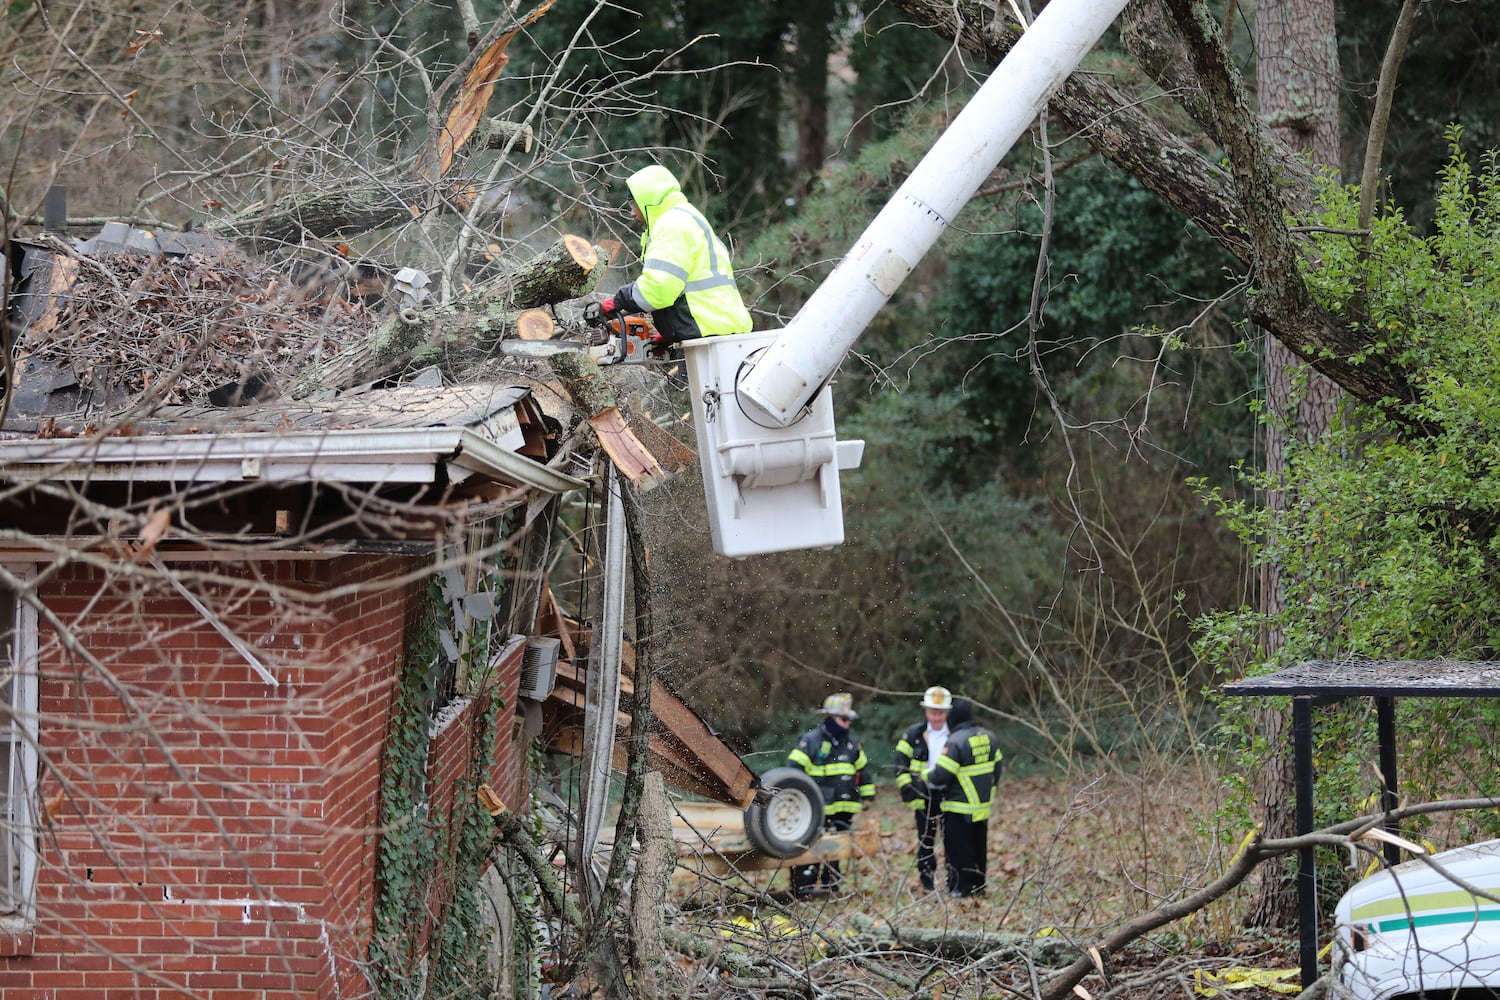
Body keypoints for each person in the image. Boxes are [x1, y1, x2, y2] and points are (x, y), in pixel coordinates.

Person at [597, 164, 754, 354]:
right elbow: (687, 284)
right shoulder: (687, 217)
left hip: (706, 342)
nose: (632, 213)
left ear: (648, 200)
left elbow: (658, 290)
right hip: (717, 335)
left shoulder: (671, 225)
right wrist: (673, 331)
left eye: (633, 205)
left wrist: (619, 300)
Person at [786, 692, 876, 896]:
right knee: (809, 847)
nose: (847, 724)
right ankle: (804, 887)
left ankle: (831, 887)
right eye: (843, 719)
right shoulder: (810, 742)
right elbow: (793, 771)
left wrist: (868, 796)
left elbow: (863, 771)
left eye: (849, 720)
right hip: (816, 810)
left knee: (838, 847)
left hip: (844, 808)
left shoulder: (852, 744)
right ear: (829, 718)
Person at [927, 699, 1000, 897]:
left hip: (959, 805)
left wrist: (925, 776)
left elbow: (942, 774)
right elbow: (998, 767)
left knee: (958, 850)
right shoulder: (989, 737)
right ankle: (978, 886)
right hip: (982, 806)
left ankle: (960, 887)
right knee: (979, 848)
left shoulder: (956, 741)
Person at [894, 685, 955, 893]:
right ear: (926, 711)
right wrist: (909, 792)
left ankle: (953, 882)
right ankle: (928, 883)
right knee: (926, 841)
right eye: (933, 712)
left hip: (950, 794)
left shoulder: (956, 734)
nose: (937, 717)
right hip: (924, 795)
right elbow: (900, 765)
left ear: (947, 712)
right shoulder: (912, 735)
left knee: (952, 840)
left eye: (940, 713)